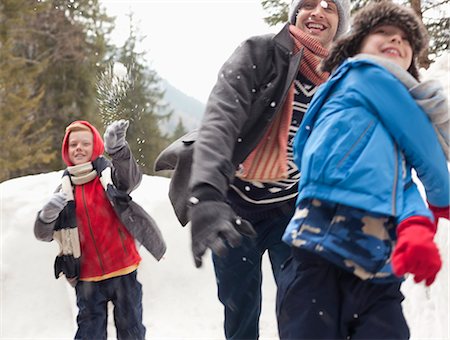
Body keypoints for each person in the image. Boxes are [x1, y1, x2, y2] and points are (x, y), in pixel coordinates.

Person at [154, 0, 351, 338]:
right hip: (235, 206)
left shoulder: (342, 78)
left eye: (330, 7)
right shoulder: (261, 53)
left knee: (302, 304)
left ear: (340, 23)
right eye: (307, 4)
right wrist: (208, 194)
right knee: (239, 305)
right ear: (295, 15)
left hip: (294, 208)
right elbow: (221, 120)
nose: (317, 11)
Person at [277, 1, 450, 339]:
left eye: (405, 40)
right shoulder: (368, 74)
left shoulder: (357, 100)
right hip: (326, 252)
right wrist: (442, 198)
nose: (396, 41)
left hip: (354, 256)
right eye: (383, 33)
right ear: (356, 46)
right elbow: (424, 147)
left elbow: (398, 180)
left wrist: (417, 224)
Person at [34, 119, 166, 340]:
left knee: (131, 330)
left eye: (85, 143)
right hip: (87, 278)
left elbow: (130, 179)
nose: (78, 148)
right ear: (66, 151)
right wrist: (46, 217)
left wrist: (118, 151)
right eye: (73, 144)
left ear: (95, 146)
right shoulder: (64, 191)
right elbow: (43, 234)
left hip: (123, 271)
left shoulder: (108, 178)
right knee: (89, 333)